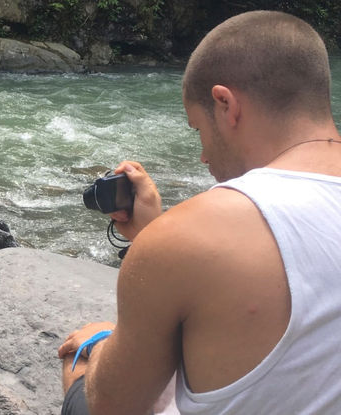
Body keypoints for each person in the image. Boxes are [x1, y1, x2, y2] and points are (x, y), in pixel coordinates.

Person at [57, 10, 341, 415]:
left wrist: (100, 344)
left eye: (198, 131)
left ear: (225, 104)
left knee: (80, 371)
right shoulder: (183, 237)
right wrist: (154, 230)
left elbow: (111, 407)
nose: (205, 155)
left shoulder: (185, 237)